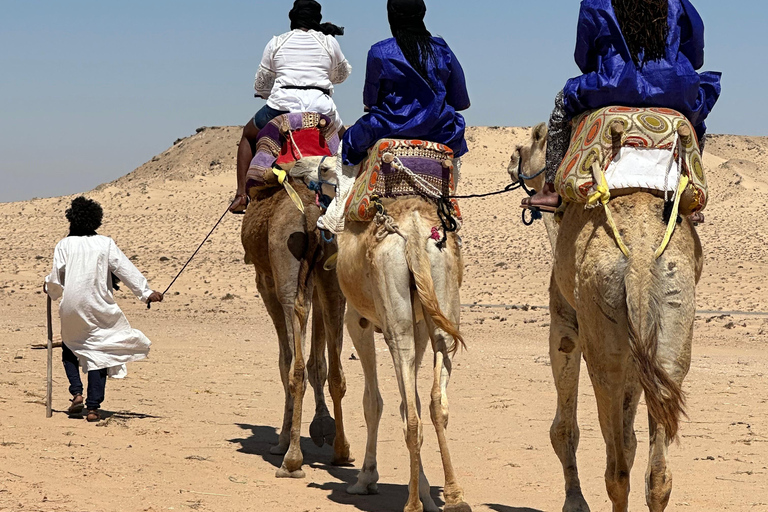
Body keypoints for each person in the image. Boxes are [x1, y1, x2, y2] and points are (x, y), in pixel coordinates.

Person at [523, 0, 721, 212]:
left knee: (561, 106)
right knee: (696, 118)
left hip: (614, 83)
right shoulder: (677, 3)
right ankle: (691, 193)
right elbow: (695, 53)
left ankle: (551, 189)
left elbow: (584, 56)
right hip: (672, 87)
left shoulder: (596, 3)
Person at [318, 0, 471, 234]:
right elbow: (461, 101)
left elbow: (371, 101)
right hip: (439, 129)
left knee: (347, 146)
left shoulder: (380, 51)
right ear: (422, 14)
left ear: (391, 16)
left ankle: (337, 214)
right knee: (456, 149)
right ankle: (448, 205)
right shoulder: (442, 49)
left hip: (387, 126)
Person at [44, 197, 164, 422]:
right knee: (100, 352)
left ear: (72, 220)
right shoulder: (105, 243)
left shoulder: (64, 244)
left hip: (71, 306)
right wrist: (146, 293)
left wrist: (49, 289)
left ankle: (77, 392)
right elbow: (125, 269)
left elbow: (55, 280)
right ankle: (93, 408)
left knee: (70, 346)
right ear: (95, 220)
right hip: (98, 305)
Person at [230, 0, 352, 213]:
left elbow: (262, 82)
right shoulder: (328, 42)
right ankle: (350, 196)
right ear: (317, 19)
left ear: (292, 19)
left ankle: (241, 196)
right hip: (320, 107)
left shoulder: (276, 42)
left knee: (248, 135)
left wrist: (266, 93)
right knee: (347, 141)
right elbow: (341, 75)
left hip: (281, 105)